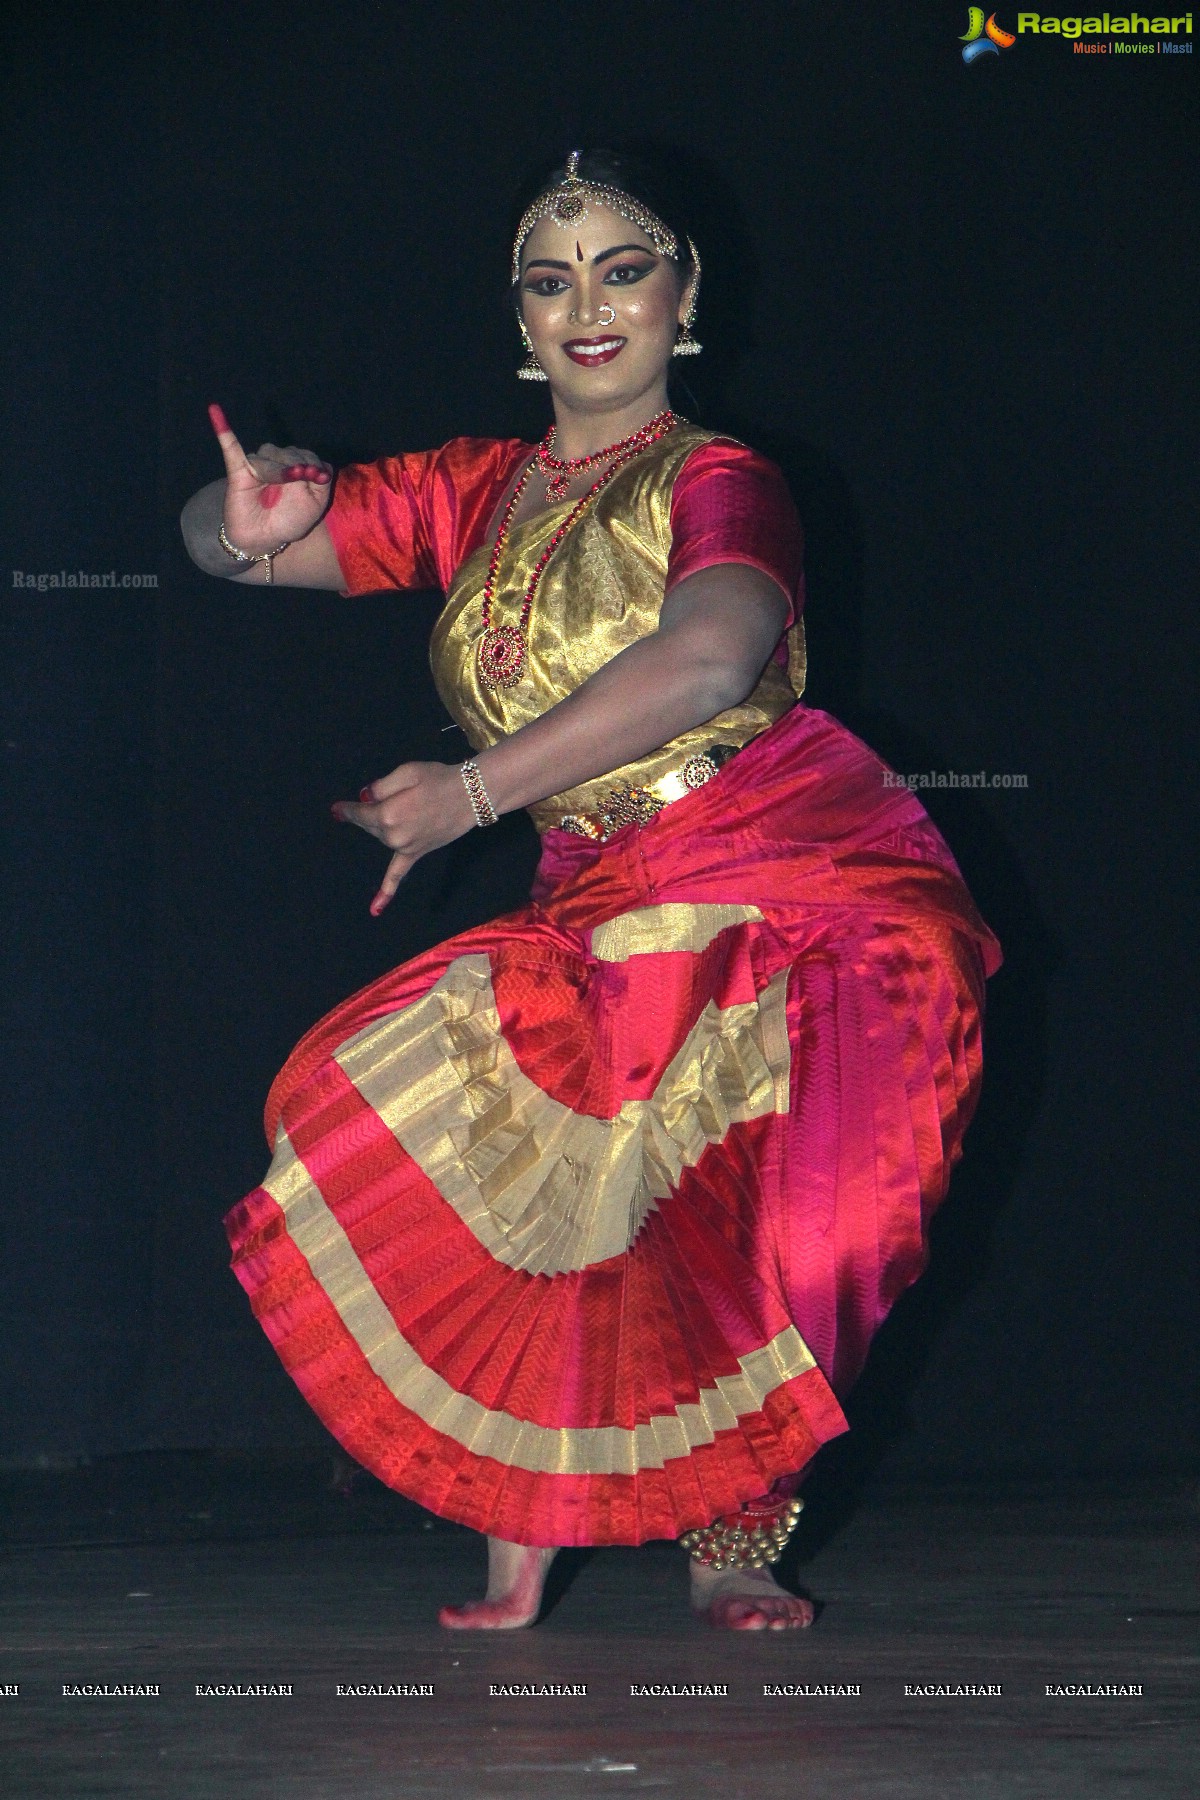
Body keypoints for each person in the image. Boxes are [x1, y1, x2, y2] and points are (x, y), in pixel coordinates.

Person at [181, 148, 1001, 1632]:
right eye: (552, 280)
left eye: (625, 269)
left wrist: (473, 793)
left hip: (789, 870)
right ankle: (527, 1530)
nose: (589, 305)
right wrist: (234, 531)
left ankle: (734, 1536)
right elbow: (238, 548)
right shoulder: (475, 492)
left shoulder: (721, 476)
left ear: (686, 299)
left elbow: (710, 659)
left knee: (810, 1231)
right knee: (551, 1195)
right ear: (520, 318)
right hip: (596, 885)